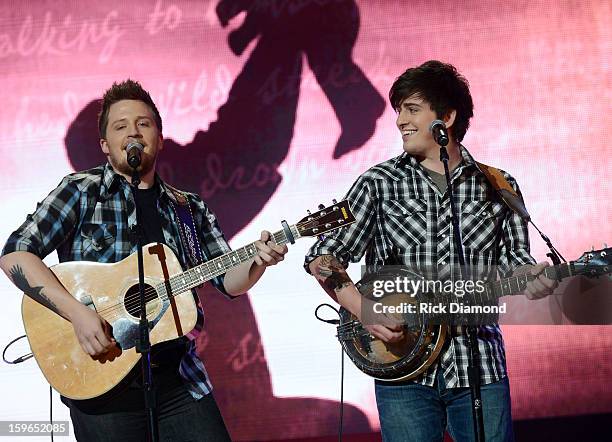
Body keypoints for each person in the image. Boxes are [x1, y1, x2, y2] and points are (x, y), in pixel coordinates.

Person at [0, 79, 288, 441]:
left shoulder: (187, 207)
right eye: (120, 126)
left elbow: (227, 279)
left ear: (159, 138)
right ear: (105, 145)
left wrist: (259, 260)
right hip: (102, 382)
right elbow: (15, 254)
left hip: (179, 380)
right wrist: (77, 312)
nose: (133, 132)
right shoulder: (80, 191)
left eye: (144, 123)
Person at [305, 60, 557, 442]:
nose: (400, 121)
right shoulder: (379, 183)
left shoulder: (498, 185)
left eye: (412, 109)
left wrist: (535, 281)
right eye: (398, 110)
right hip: (402, 369)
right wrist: (365, 311)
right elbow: (323, 258)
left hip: (478, 367)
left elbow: (517, 265)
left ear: (448, 117)